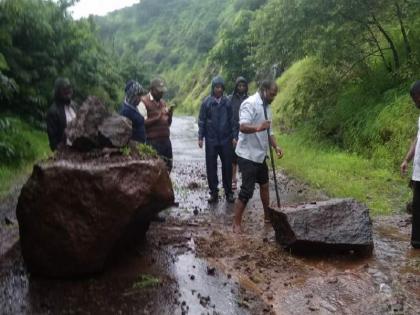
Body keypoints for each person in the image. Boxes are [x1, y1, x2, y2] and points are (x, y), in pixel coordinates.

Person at [232, 79, 284, 233]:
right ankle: (236, 223)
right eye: (272, 94)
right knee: (247, 191)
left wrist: (276, 146)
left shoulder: (267, 107)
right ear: (264, 90)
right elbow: (243, 126)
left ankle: (267, 217)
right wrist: (259, 127)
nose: (273, 97)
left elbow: (270, 131)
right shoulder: (250, 103)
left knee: (265, 185)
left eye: (275, 95)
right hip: (247, 154)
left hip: (260, 154)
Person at [198, 76, 235, 203]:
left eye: (220, 87)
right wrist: (200, 137)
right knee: (211, 167)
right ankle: (213, 193)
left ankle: (229, 192)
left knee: (227, 167)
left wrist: (234, 137)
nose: (218, 89)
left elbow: (232, 121)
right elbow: (201, 121)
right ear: (212, 88)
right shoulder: (206, 102)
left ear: (223, 88)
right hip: (211, 140)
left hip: (226, 139)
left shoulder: (227, 102)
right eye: (216, 87)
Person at [400, 80, 420, 249]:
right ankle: (416, 245)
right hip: (418, 173)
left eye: (415, 99)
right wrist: (406, 159)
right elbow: (417, 139)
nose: (415, 103)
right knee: (417, 212)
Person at [139, 78, 174, 172]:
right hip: (152, 142)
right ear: (152, 89)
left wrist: (170, 115)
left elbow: (168, 123)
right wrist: (159, 116)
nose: (162, 93)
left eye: (163, 91)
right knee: (154, 169)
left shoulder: (163, 102)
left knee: (168, 166)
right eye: (159, 91)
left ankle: (165, 186)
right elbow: (142, 123)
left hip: (166, 141)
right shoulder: (143, 101)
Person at [228, 76, 249, 190]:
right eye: (239, 85)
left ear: (246, 87)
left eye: (243, 86)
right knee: (233, 158)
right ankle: (233, 180)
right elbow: (229, 117)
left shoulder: (249, 99)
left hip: (246, 130)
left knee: (245, 157)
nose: (241, 87)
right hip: (234, 130)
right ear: (236, 86)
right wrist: (232, 136)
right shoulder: (230, 98)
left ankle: (245, 181)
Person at [46, 77, 78, 151]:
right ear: (58, 92)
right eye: (64, 89)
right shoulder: (53, 112)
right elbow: (53, 142)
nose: (68, 91)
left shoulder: (75, 106)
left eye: (69, 88)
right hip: (66, 152)